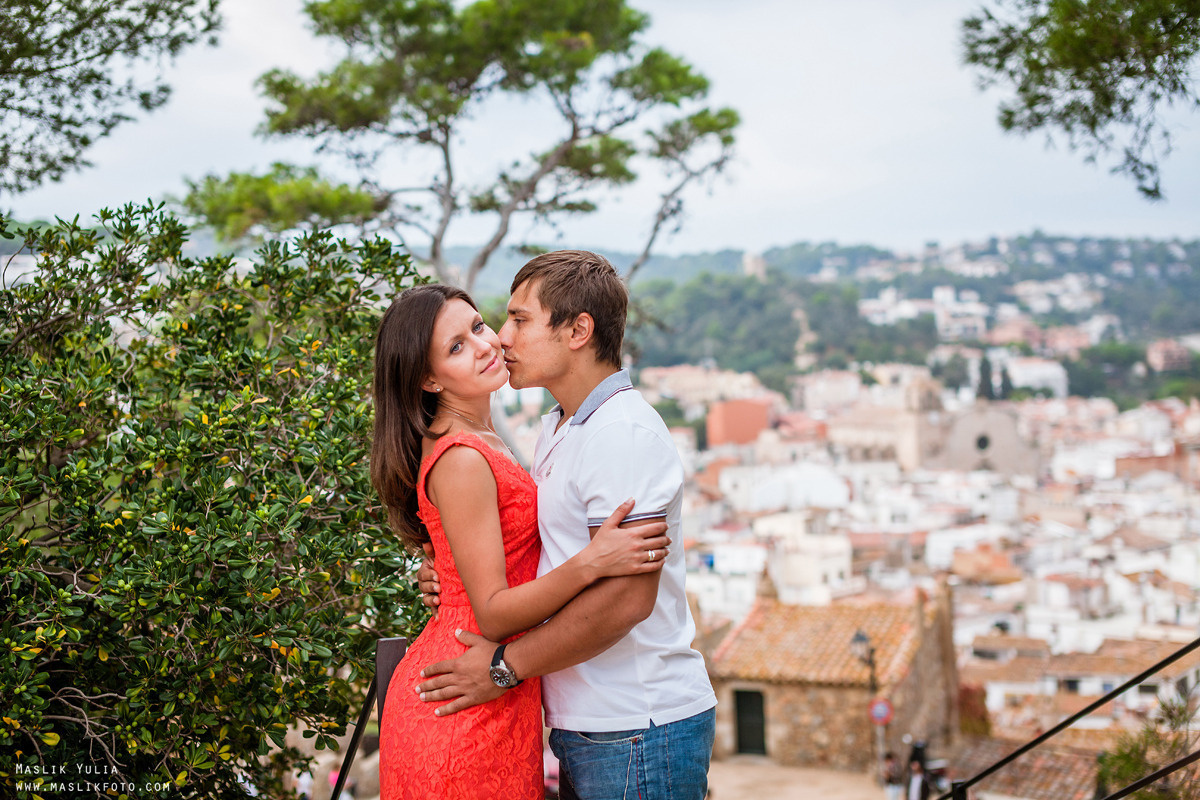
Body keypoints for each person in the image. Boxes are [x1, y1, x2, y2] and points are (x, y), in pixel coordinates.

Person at [415, 251, 718, 799]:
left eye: (519, 320)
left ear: (579, 330)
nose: (502, 338)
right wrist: (445, 566)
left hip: (636, 724)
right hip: (589, 722)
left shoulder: (621, 434)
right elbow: (536, 543)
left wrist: (503, 667)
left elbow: (626, 600)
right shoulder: (561, 425)